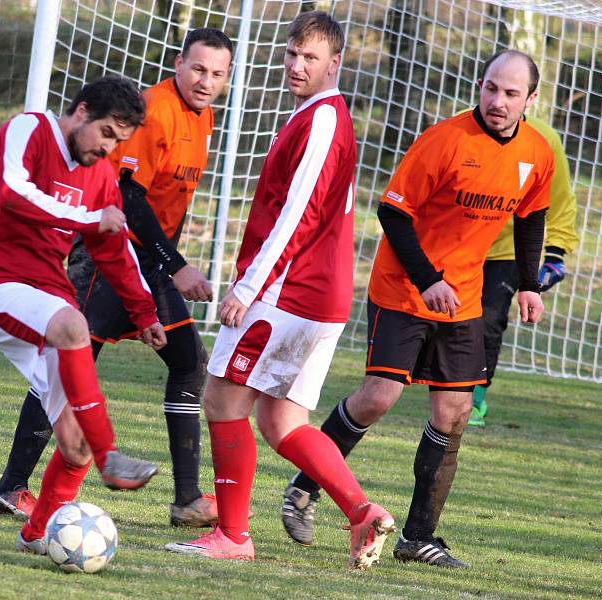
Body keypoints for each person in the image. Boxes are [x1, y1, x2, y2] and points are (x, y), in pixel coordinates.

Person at [280, 49, 554, 568]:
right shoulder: (444, 141)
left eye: (511, 93)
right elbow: (393, 213)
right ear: (480, 85)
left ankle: (417, 538)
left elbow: (530, 219)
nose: (497, 101)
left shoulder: (537, 153)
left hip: (464, 297)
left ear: (531, 100)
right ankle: (303, 488)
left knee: (452, 415)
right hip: (403, 288)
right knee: (380, 397)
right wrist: (427, 280)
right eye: (491, 88)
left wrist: (528, 284)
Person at [165, 11, 395, 568]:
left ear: (335, 63)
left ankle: (232, 536)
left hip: (288, 291)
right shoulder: (318, 118)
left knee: (221, 398)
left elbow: (299, 214)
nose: (296, 65)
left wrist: (249, 286)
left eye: (310, 57)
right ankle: (361, 511)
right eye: (292, 53)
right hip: (320, 296)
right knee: (281, 421)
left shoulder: (320, 120)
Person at [0, 29, 235, 528]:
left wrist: (164, 266)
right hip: (110, 262)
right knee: (66, 369)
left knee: (188, 362)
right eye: (198, 69)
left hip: (150, 267)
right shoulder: (156, 109)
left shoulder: (203, 117)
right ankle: (13, 487)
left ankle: (187, 498)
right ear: (178, 62)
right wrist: (177, 264)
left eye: (218, 73)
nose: (206, 81)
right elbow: (127, 196)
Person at [0, 74, 167, 554]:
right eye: (107, 133)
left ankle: (37, 534)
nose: (108, 149)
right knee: (74, 325)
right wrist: (89, 218)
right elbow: (11, 191)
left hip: (43, 295)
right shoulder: (28, 131)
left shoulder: (100, 174)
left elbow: (113, 249)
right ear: (82, 111)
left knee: (74, 447)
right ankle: (111, 453)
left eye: (120, 141)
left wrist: (144, 309)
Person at [468, 114, 579, 426]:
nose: (501, 102)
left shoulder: (544, 140)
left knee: (489, 319)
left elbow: (560, 199)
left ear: (530, 98)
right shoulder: (457, 133)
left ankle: (474, 397)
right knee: (452, 320)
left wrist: (556, 252)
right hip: (459, 245)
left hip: (508, 250)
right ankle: (447, 388)